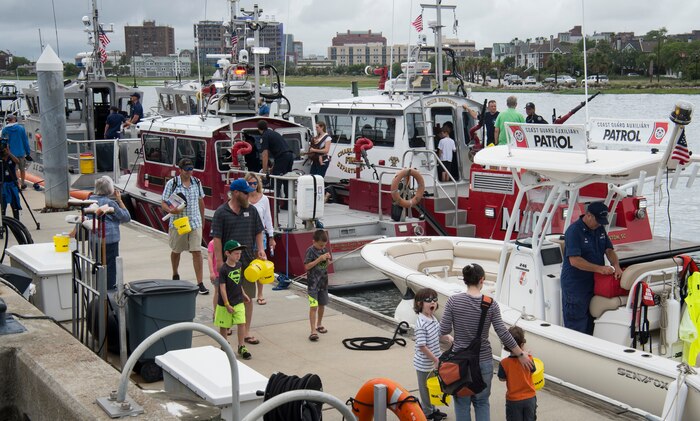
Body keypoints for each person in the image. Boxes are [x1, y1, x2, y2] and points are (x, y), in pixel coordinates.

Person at [440, 263, 532, 421]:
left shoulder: (453, 302)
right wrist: (520, 353)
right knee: (482, 402)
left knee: (462, 403)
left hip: (459, 362)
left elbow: (443, 331)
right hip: (483, 361)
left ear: (465, 280)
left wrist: (450, 339)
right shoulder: (490, 304)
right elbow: (503, 333)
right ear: (481, 280)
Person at [211, 178, 266, 350]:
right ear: (236, 193)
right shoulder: (221, 213)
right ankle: (225, 331)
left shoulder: (251, 210)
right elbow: (217, 238)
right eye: (245, 193)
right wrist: (219, 261)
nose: (249, 196)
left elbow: (259, 230)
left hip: (248, 262)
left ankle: (246, 331)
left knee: (247, 297)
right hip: (228, 264)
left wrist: (261, 249)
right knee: (225, 297)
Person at [561, 202, 622, 334]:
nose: (600, 224)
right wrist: (600, 269)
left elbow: (609, 249)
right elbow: (575, 261)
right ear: (588, 215)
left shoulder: (599, 228)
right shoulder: (573, 232)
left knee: (591, 320)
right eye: (598, 221)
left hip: (594, 283)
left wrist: (616, 266)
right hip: (575, 286)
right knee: (577, 324)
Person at [161, 158, 209, 295]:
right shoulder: (172, 183)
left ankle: (200, 283)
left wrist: (202, 218)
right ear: (180, 170)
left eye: (191, 169)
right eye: (187, 170)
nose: (189, 172)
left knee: (197, 251)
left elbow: (201, 201)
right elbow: (163, 202)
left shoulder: (197, 182)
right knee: (177, 250)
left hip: (195, 222)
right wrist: (170, 210)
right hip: (179, 222)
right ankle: (175, 273)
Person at [86, 176, 131, 290]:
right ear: (109, 189)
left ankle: (99, 290)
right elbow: (126, 217)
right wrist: (119, 200)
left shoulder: (89, 200)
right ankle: (109, 293)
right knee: (110, 268)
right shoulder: (110, 203)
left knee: (98, 265)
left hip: (94, 238)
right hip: (109, 239)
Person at [413, 287, 449, 421]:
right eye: (428, 300)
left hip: (434, 361)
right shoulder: (421, 323)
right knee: (425, 389)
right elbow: (421, 346)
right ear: (419, 304)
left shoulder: (432, 318)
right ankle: (427, 413)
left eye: (434, 299)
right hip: (424, 364)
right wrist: (435, 359)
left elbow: (438, 334)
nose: (433, 302)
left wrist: (447, 338)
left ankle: (432, 409)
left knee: (433, 386)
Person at [214, 239, 252, 360]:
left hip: (238, 300)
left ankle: (241, 346)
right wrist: (226, 304)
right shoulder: (224, 269)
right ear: (227, 253)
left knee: (242, 323)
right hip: (225, 303)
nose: (238, 256)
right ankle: (224, 344)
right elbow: (222, 288)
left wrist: (244, 293)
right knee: (224, 326)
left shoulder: (239, 265)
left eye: (240, 254)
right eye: (236, 253)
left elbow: (238, 282)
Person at [245, 172, 276, 305]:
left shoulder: (264, 199)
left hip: (260, 234)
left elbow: (268, 219)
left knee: (260, 263)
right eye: (250, 183)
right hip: (245, 235)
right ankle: (246, 291)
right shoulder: (243, 198)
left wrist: (271, 237)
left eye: (255, 183)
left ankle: (260, 293)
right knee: (246, 264)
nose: (252, 185)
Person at [497, 326, 537, 421]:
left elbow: (501, 378)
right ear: (522, 344)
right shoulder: (529, 359)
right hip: (530, 398)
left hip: (514, 400)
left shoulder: (504, 363)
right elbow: (533, 370)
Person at [257, 120, 294, 206]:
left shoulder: (265, 136)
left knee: (276, 181)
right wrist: (273, 167)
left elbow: (265, 154)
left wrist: (264, 172)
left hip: (282, 157)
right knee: (286, 180)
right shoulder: (274, 133)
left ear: (258, 129)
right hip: (289, 156)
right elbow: (280, 150)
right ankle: (287, 204)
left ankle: (275, 205)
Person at [304, 229, 331, 341]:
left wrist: (327, 260)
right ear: (313, 241)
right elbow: (307, 266)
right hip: (313, 285)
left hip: (323, 283)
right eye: (320, 245)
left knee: (322, 305)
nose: (322, 247)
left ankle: (319, 324)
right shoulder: (310, 251)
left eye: (324, 245)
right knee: (313, 306)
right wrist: (319, 259)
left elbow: (326, 265)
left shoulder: (324, 249)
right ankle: (312, 330)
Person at [2, 115, 31, 189]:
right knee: (22, 169)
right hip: (20, 152)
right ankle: (23, 183)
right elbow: (25, 141)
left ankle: (17, 183)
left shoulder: (5, 130)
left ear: (8, 120)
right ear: (14, 119)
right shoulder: (21, 128)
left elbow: (3, 142)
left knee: (14, 169)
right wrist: (28, 152)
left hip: (11, 154)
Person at [0, 144, 21, 219]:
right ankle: (4, 224)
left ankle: (17, 224)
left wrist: (9, 153)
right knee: (3, 207)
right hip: (3, 185)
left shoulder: (11, 157)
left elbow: (17, 161)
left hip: (12, 184)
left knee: (15, 206)